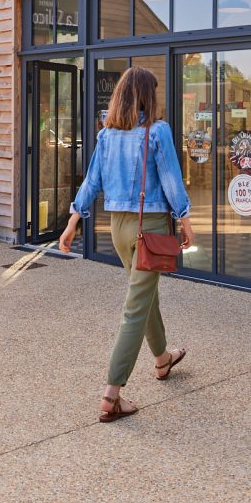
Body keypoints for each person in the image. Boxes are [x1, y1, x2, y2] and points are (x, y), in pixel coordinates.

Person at [59, 66, 194, 423]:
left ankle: (162, 359)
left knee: (144, 295)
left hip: (117, 227)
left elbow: (91, 181)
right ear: (148, 96)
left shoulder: (107, 135)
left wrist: (73, 221)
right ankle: (111, 395)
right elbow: (171, 180)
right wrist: (185, 219)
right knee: (135, 307)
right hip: (148, 226)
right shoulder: (157, 131)